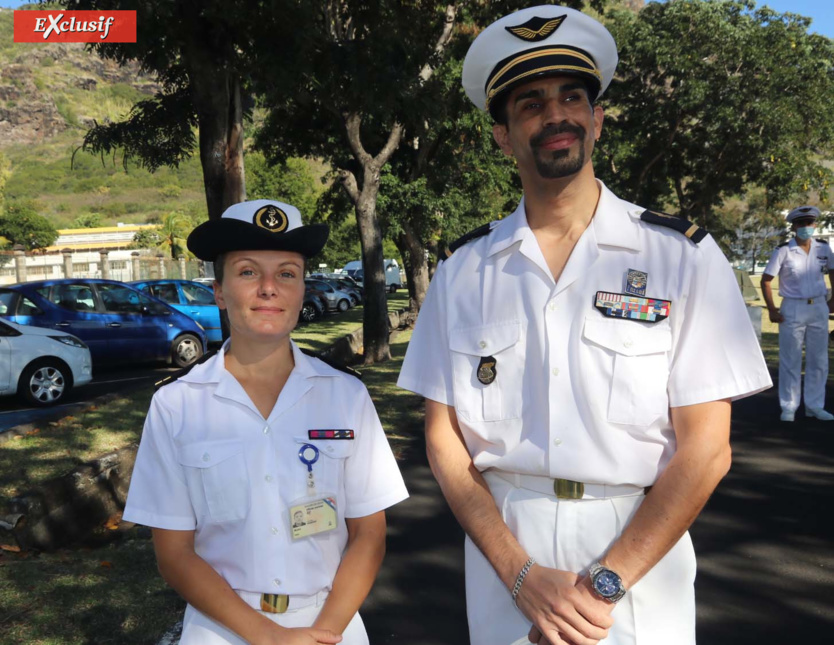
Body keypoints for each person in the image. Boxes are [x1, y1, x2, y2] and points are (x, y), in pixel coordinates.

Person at [397, 6, 772, 645]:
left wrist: (604, 582)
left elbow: (707, 448)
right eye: (530, 105)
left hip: (637, 557)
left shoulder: (680, 256)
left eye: (572, 98)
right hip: (504, 555)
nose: (555, 116)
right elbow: (444, 440)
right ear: (502, 135)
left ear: (597, 120)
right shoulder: (463, 271)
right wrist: (521, 576)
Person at [123, 199, 408, 645]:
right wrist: (270, 637)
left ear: (301, 289)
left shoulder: (345, 395)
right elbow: (175, 555)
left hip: (331, 619)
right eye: (249, 272)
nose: (269, 288)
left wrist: (325, 631)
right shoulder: (177, 404)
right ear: (218, 290)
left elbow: (369, 534)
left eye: (287, 273)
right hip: (222, 626)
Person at [761, 205, 834, 422]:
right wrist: (772, 309)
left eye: (809, 223)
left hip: (818, 305)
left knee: (819, 359)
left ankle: (815, 406)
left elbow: (832, 271)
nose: (806, 227)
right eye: (801, 223)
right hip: (792, 307)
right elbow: (766, 280)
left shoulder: (823, 248)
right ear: (793, 226)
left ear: (815, 225)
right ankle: (789, 406)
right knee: (790, 358)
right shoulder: (783, 250)